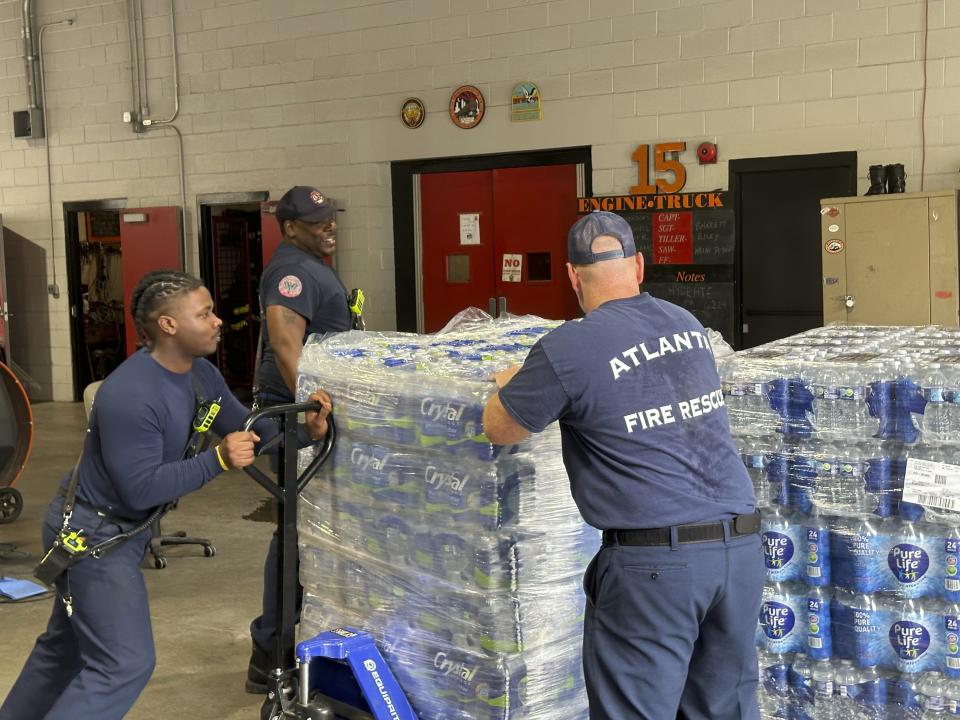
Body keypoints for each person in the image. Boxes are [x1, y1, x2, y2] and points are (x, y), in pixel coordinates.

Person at [0, 270, 332, 720]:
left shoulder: (201, 376)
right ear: (168, 325)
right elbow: (140, 490)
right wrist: (217, 461)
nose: (218, 321)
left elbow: (254, 432)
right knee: (123, 664)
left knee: (65, 650)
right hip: (92, 537)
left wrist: (305, 434)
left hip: (119, 530)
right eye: (205, 313)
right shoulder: (131, 395)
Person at [482, 211, 763, 720]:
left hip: (657, 567)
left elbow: (501, 428)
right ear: (637, 265)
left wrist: (508, 384)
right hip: (739, 552)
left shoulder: (568, 348)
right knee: (722, 709)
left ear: (572, 276)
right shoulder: (685, 323)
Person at [247, 185, 352, 692]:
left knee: (308, 530)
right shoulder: (290, 272)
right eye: (316, 221)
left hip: (314, 413)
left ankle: (290, 644)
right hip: (298, 418)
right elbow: (288, 348)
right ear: (289, 226)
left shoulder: (311, 263)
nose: (328, 226)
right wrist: (314, 414)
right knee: (292, 531)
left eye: (330, 218)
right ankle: (272, 651)